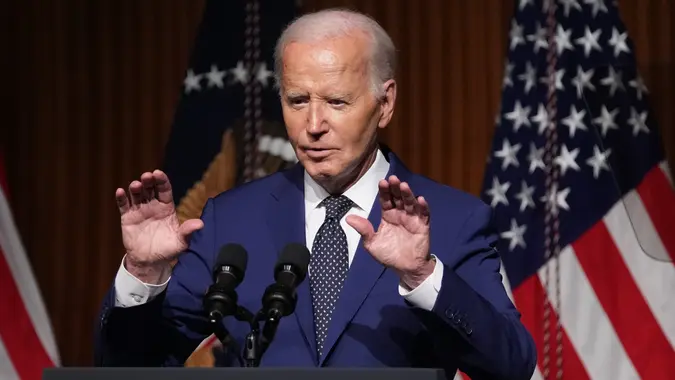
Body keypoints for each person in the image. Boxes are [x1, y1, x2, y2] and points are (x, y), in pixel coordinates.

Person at [94, 8, 536, 379]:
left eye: (337, 102)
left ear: (385, 104)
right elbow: (131, 366)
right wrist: (144, 275)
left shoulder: (453, 219)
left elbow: (511, 365)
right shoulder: (230, 220)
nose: (314, 125)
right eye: (297, 100)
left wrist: (422, 276)